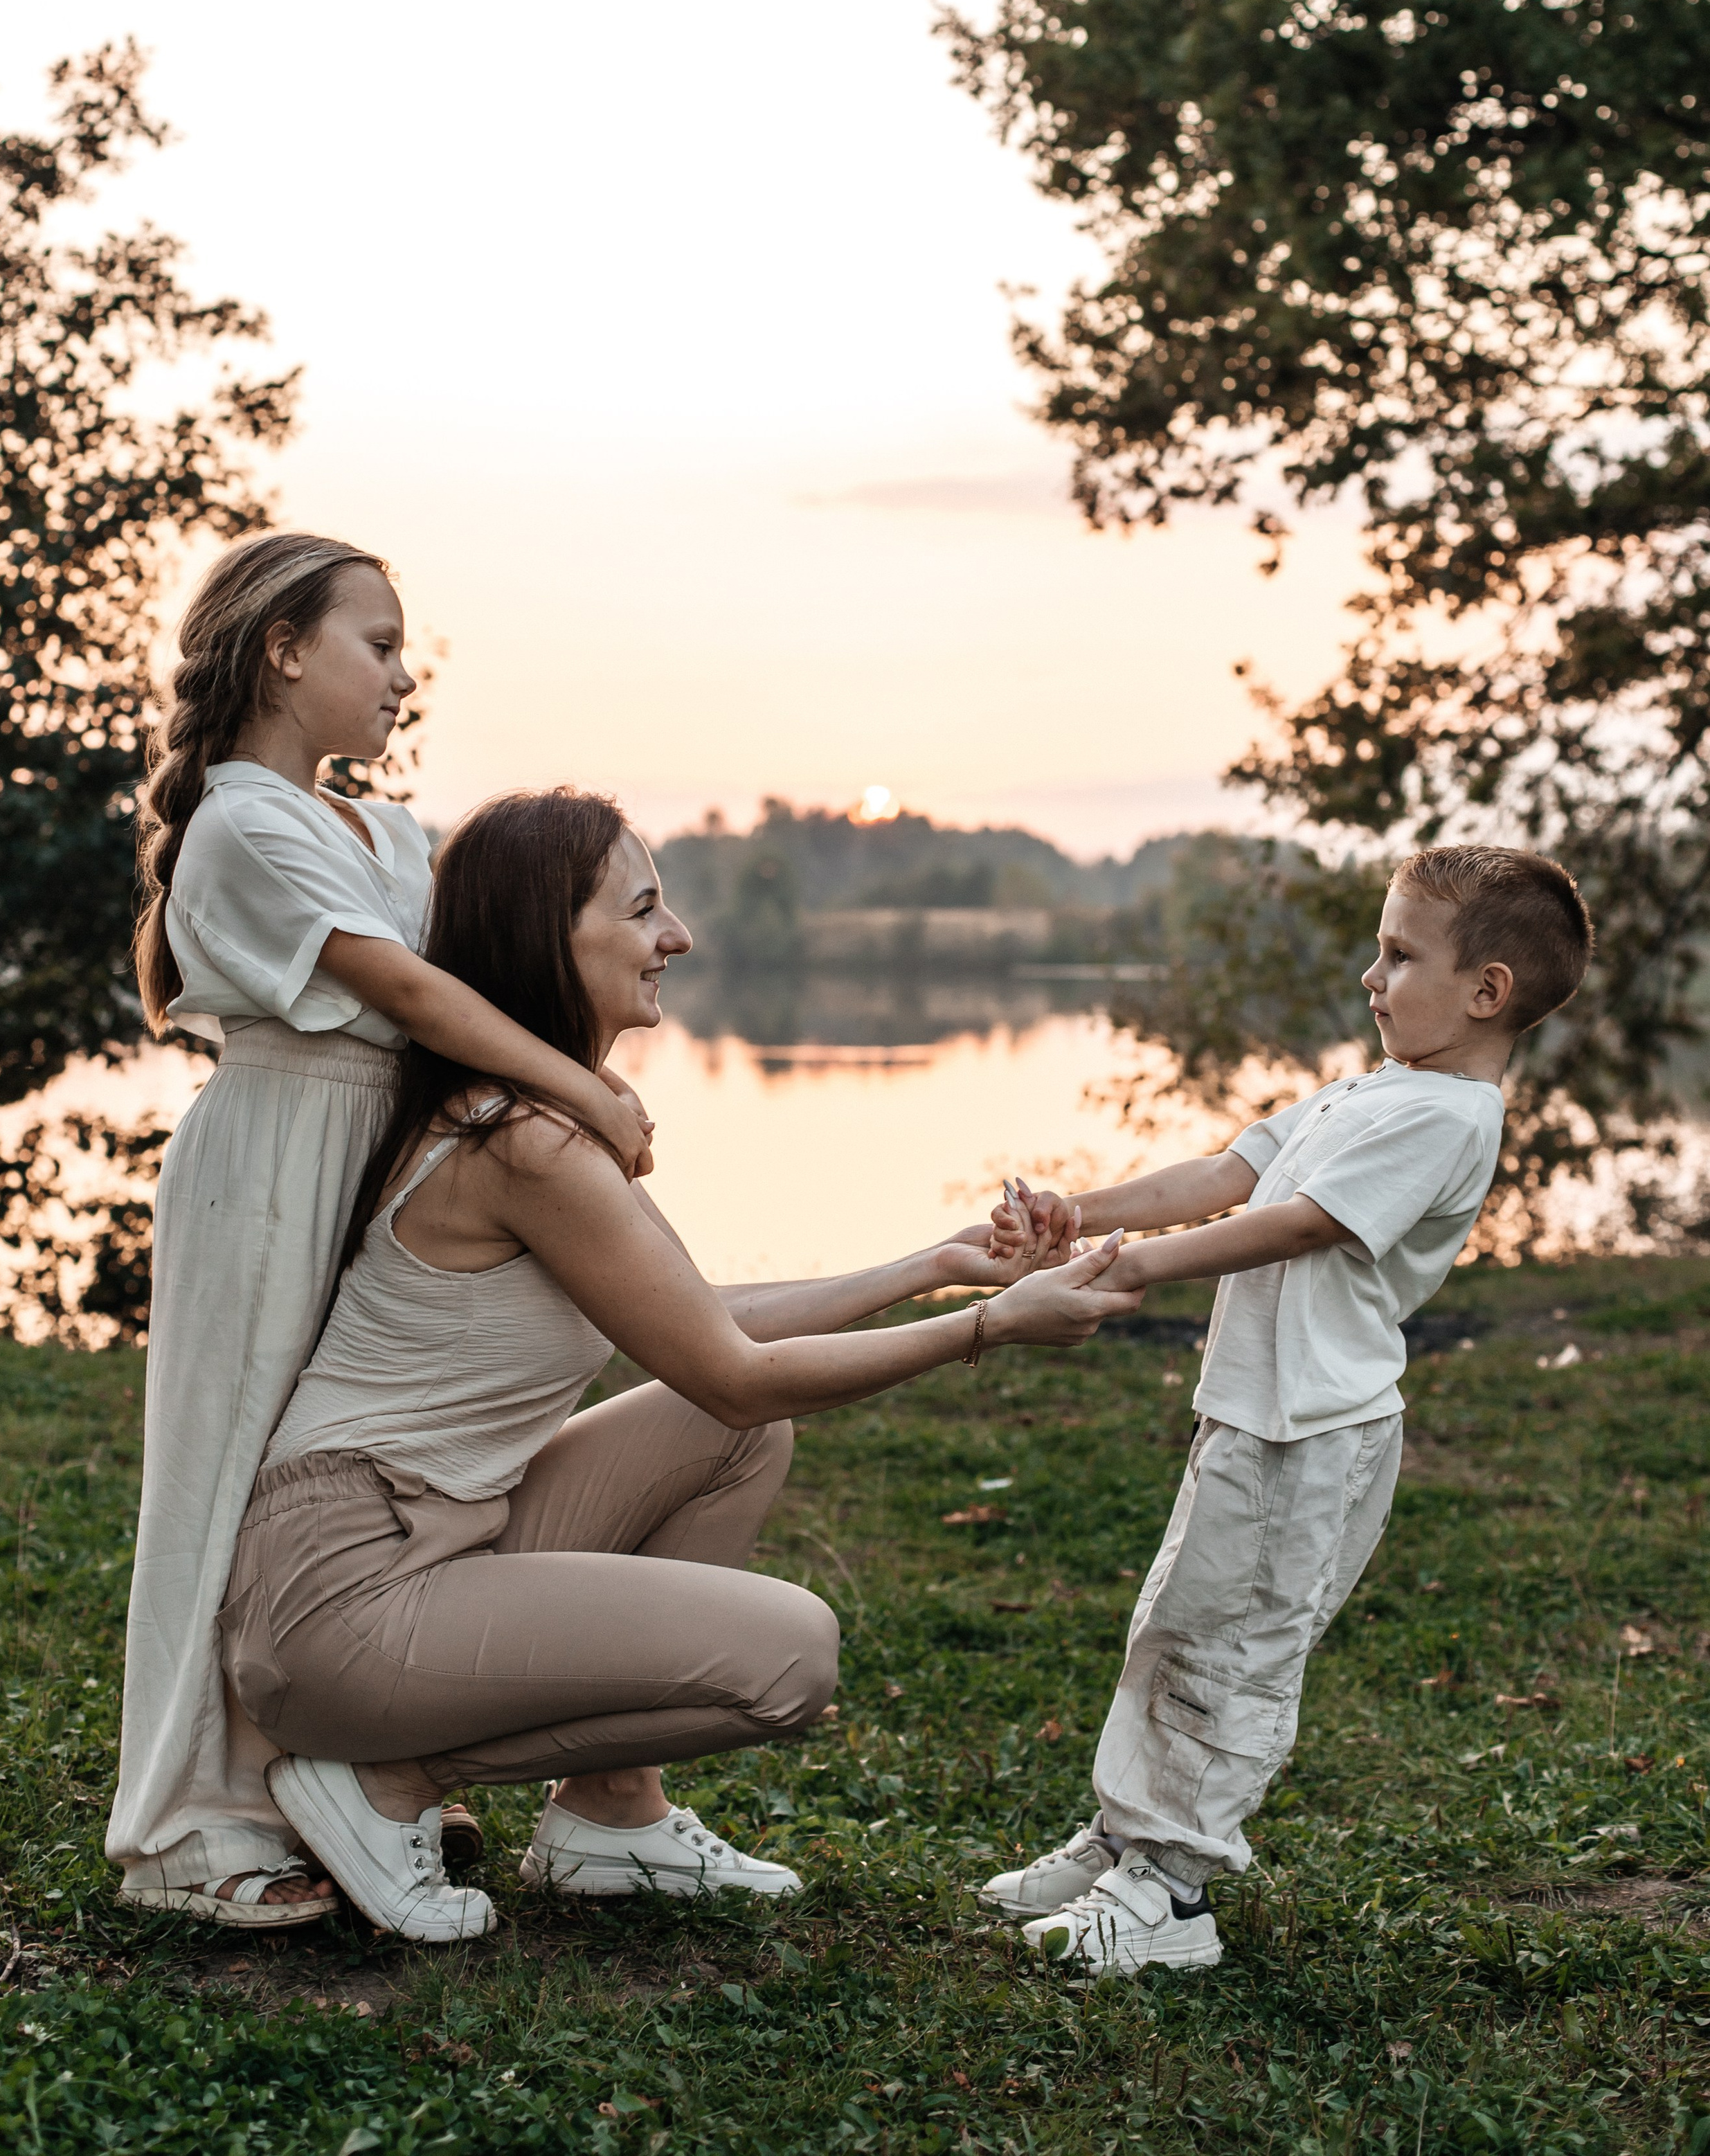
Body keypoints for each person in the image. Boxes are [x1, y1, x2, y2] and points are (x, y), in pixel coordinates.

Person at [220, 787, 1133, 1941]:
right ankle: (384, 1780)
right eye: (644, 908)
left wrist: (939, 1266)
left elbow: (706, 1324)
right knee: (790, 1652)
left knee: (738, 1438)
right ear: (553, 939)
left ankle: (612, 1815)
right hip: (343, 1596)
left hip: (427, 1537)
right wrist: (990, 1329)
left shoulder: (527, 1119)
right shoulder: (525, 1141)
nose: (679, 936)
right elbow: (734, 1366)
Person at [109, 533, 652, 1928]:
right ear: (286, 650)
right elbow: (405, 995)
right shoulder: (242, 821)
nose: (405, 676)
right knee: (227, 1468)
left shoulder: (384, 826)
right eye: (381, 643)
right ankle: (190, 1822)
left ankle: (341, 1761)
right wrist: (576, 1085)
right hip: (278, 1161)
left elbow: (464, 983)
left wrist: (569, 1082)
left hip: (381, 1158)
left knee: (341, 1466)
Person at [971, 845, 1592, 1981]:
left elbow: (1293, 1222)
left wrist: (1134, 1268)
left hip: (1316, 1431)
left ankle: (1172, 1892)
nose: (1371, 974)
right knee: (1174, 1623)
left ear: (1487, 990)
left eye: (1399, 954)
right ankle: (1126, 1839)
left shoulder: (1449, 1117)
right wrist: (1082, 1208)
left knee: (1239, 1651)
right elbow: (1224, 1173)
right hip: (1253, 1415)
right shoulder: (1363, 1090)